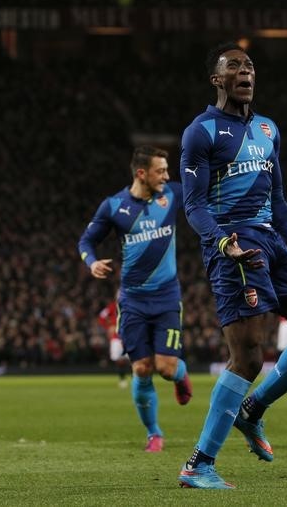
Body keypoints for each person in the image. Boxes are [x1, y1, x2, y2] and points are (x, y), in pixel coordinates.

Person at [177, 42, 287, 489]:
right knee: (247, 356)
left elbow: (278, 203)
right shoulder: (200, 131)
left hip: (273, 241)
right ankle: (200, 464)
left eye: (250, 66)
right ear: (217, 80)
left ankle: (253, 410)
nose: (245, 71)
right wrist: (222, 242)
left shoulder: (268, 129)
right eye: (233, 66)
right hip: (236, 244)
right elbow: (194, 205)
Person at [78, 145, 193, 453]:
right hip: (133, 301)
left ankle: (181, 376)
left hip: (167, 296)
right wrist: (92, 262)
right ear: (141, 173)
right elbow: (87, 240)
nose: (167, 176)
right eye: (161, 171)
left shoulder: (173, 195)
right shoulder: (114, 206)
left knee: (166, 368)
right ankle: (154, 432)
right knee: (142, 368)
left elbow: (206, 185)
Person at [98, 290, 130, 388]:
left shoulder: (132, 306)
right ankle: (122, 379)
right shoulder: (111, 307)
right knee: (119, 360)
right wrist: (108, 327)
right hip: (116, 338)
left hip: (130, 337)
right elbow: (101, 318)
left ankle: (137, 380)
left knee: (134, 360)